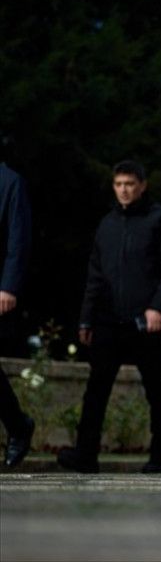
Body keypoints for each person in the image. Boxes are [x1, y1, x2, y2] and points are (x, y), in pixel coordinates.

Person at [58, 160, 161, 474]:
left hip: (148, 321)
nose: (124, 190)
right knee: (96, 389)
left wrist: (159, 308)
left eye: (129, 184)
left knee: (156, 389)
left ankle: (160, 457)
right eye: (118, 184)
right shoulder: (107, 224)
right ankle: (85, 455)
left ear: (142, 185)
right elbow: (95, 275)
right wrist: (86, 319)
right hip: (108, 320)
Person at [0, 161, 34, 468]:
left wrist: (9, 286)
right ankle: (19, 425)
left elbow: (18, 238)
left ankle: (19, 426)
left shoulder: (10, 182)